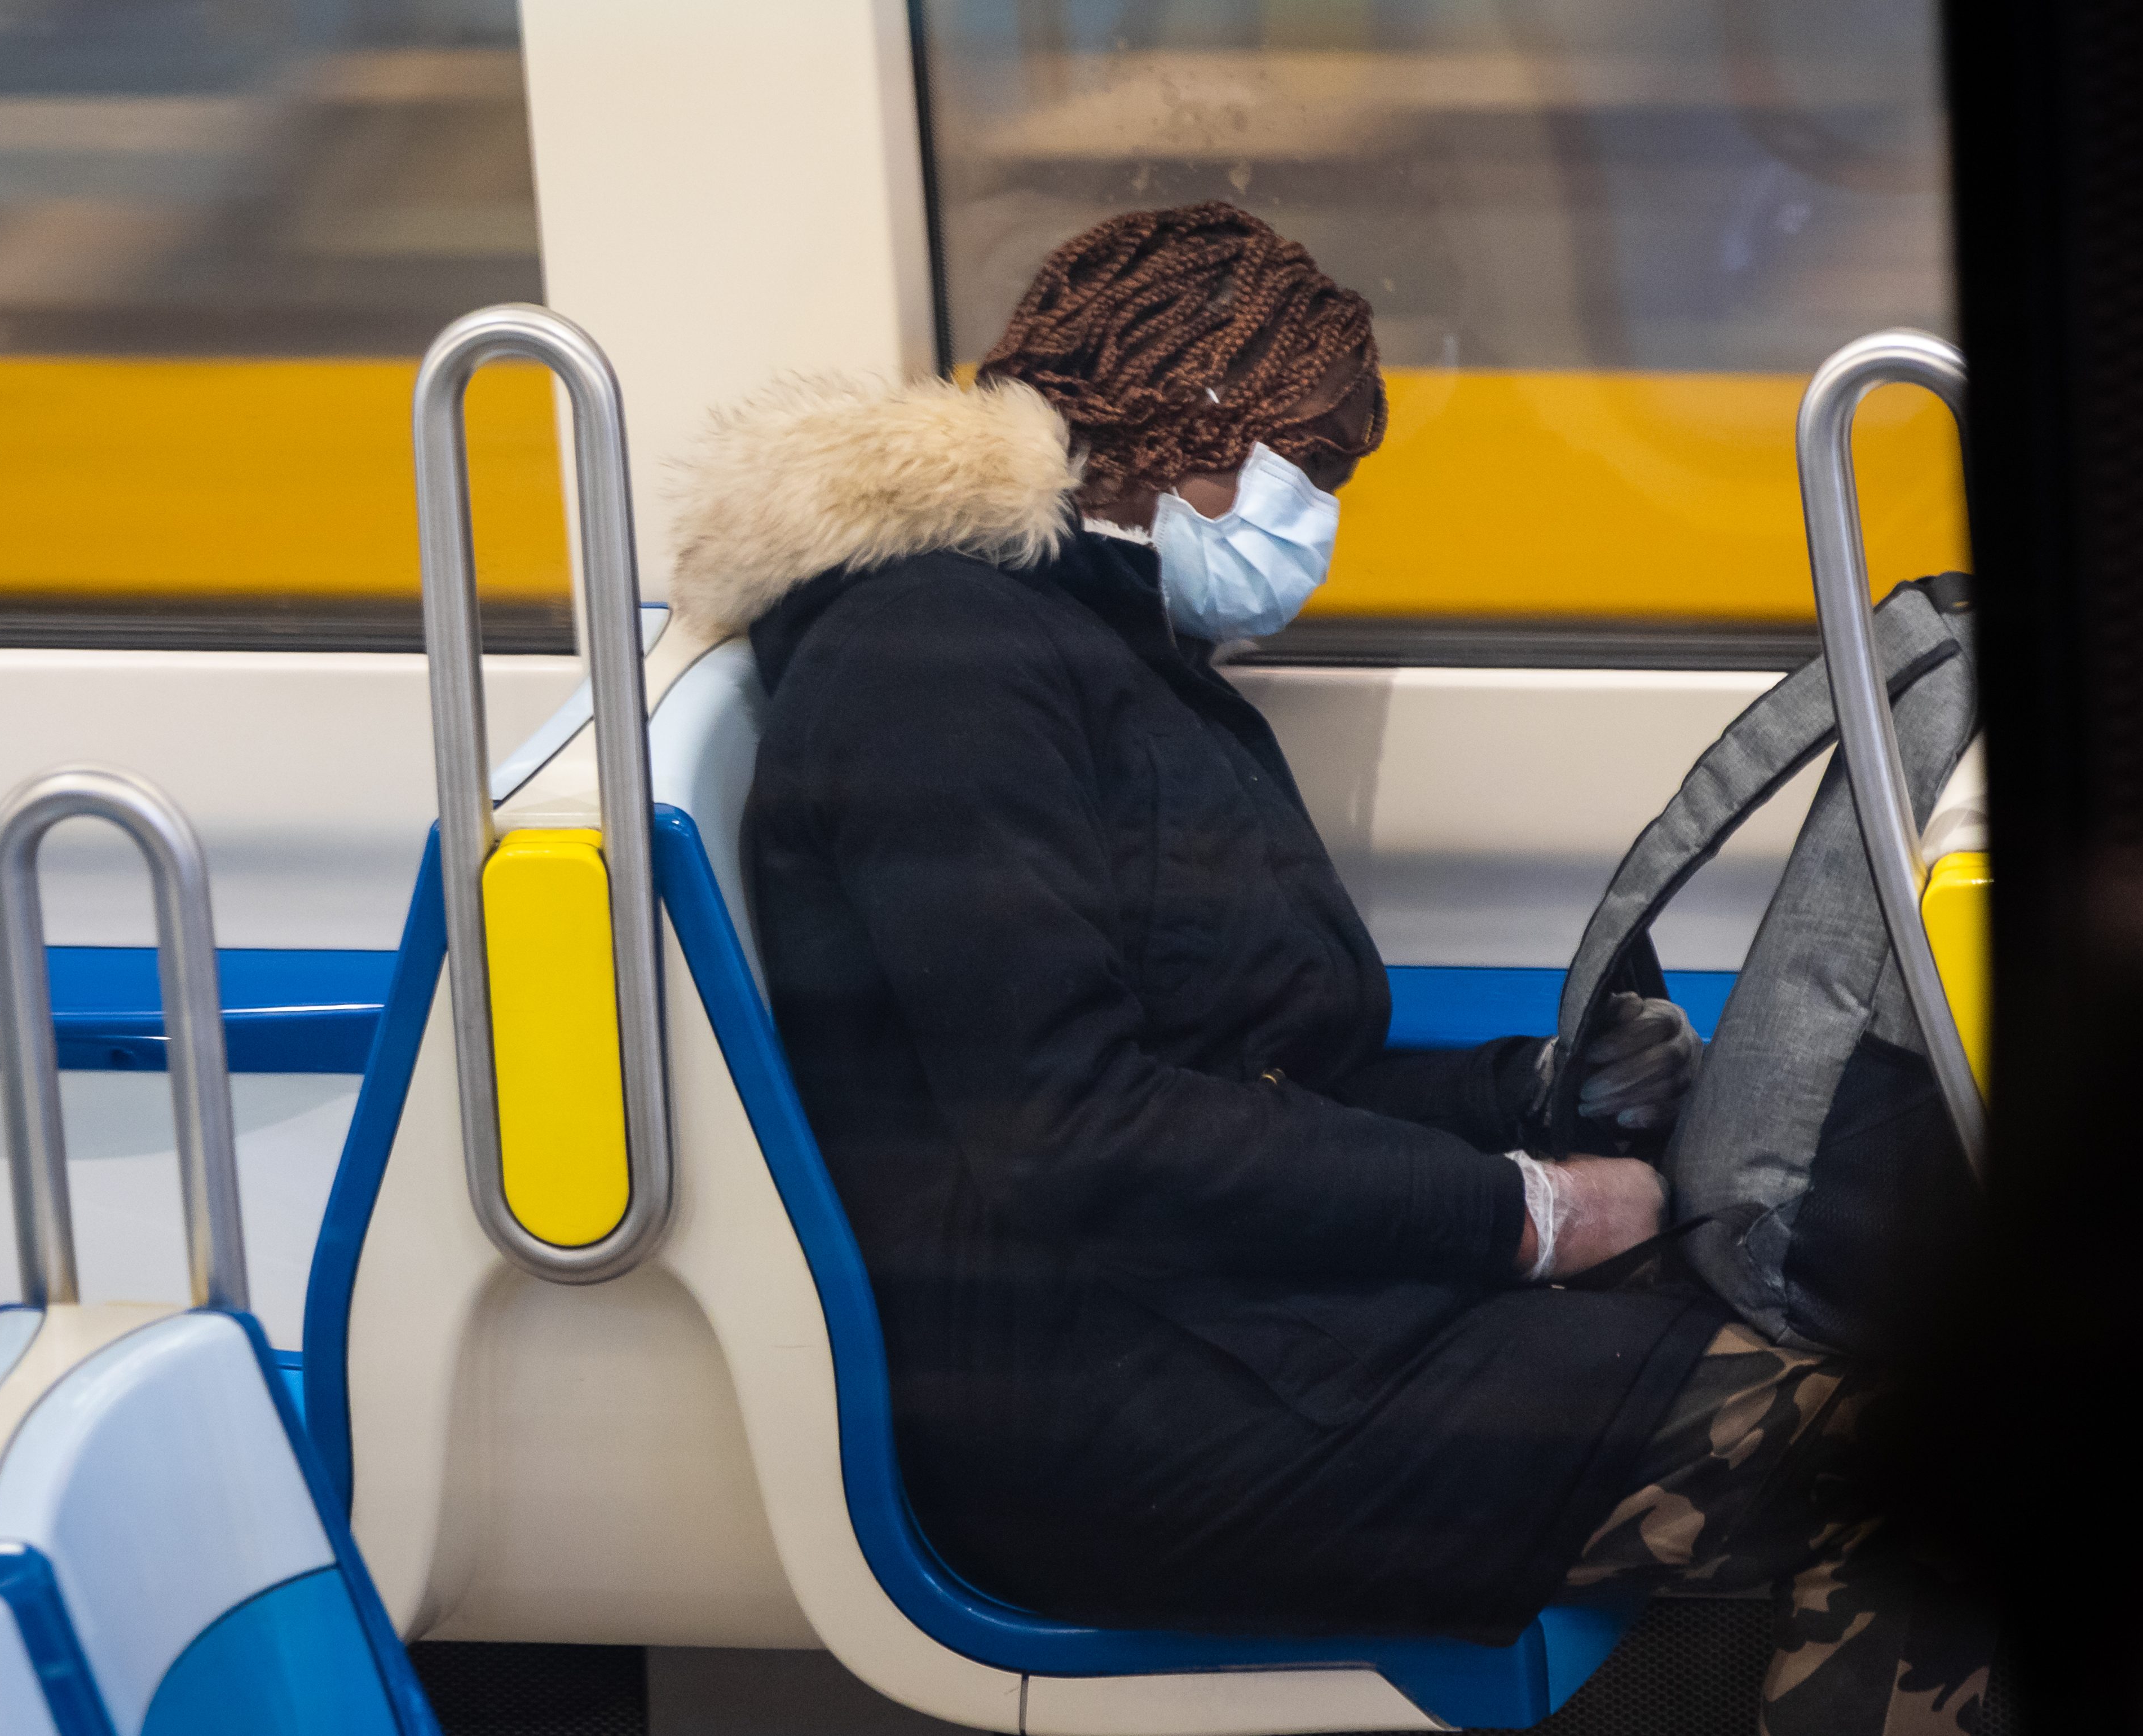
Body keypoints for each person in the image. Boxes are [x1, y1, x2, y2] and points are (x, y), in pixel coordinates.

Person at [672, 202, 1991, 1734]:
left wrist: (1544, 1096)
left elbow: (1266, 1065)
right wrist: (1527, 1213)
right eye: (1322, 464)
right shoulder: (933, 675)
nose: (1326, 514)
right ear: (1193, 424)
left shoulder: (1099, 649)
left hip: (1240, 1324)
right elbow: (1074, 1134)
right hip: (1109, 1413)